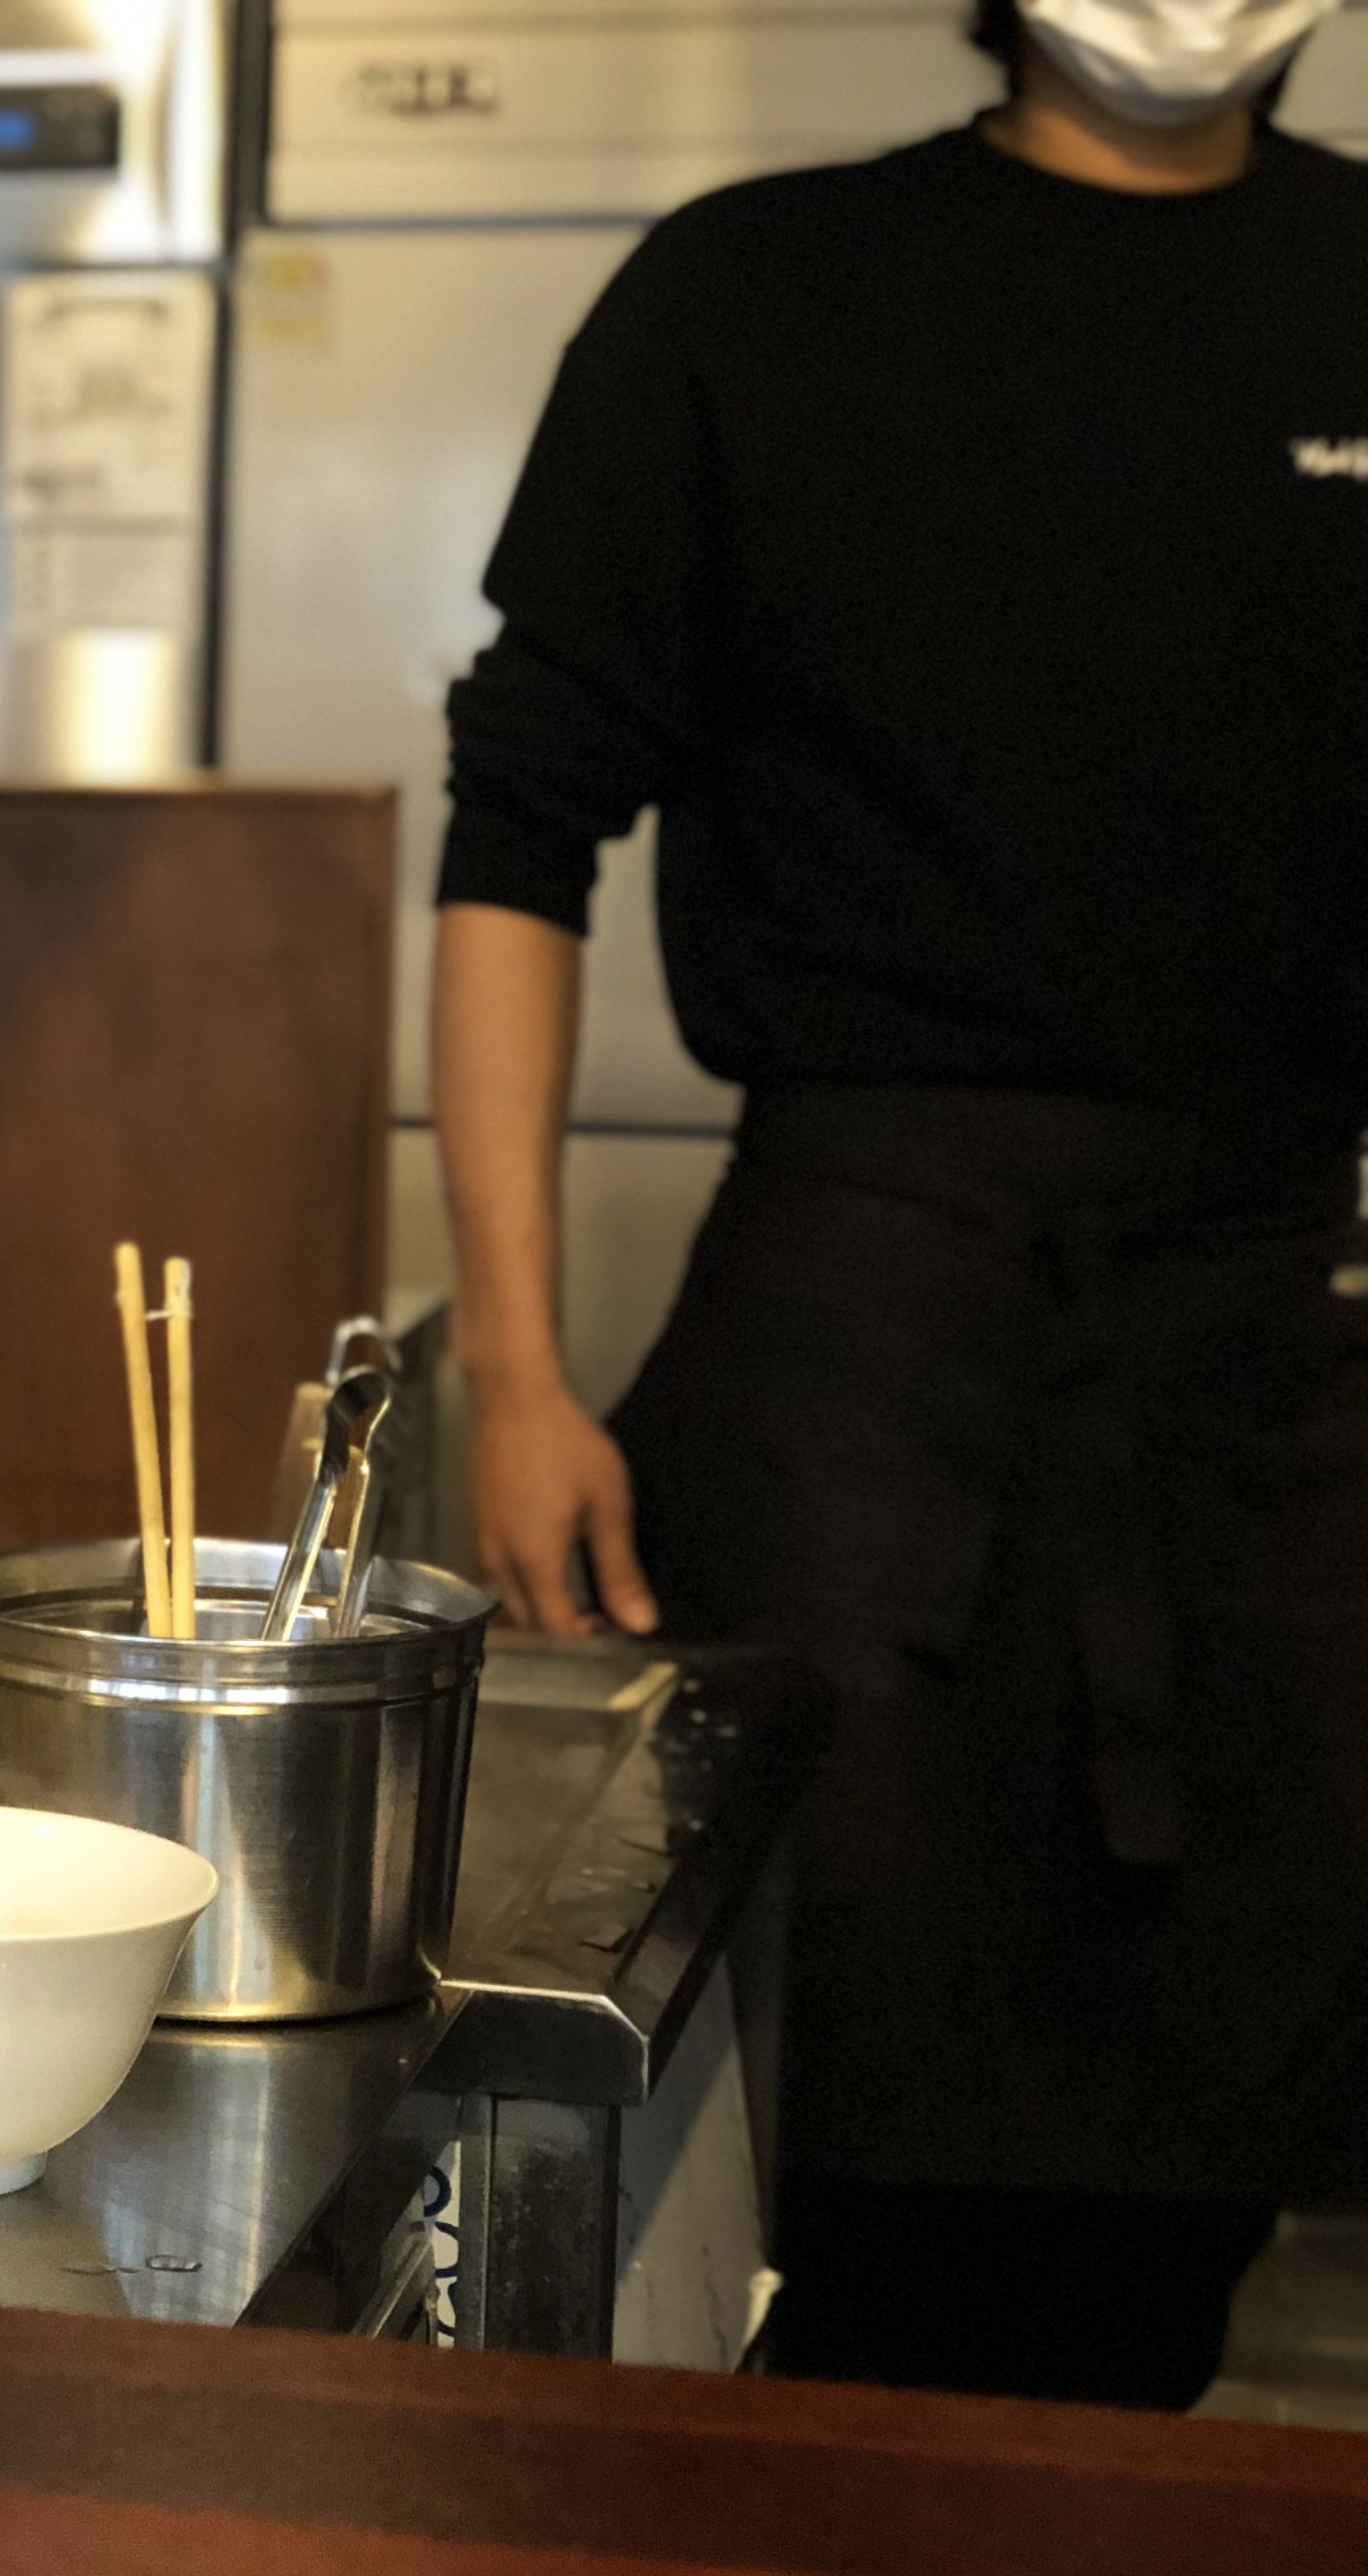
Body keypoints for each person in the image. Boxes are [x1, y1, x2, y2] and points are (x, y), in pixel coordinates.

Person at [431, 0, 1368, 2405]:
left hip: (1284, 1356)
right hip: (861, 1338)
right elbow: (522, 821)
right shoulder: (753, 290)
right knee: (826, 2130)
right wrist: (519, 1369)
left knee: (1206, 2140)